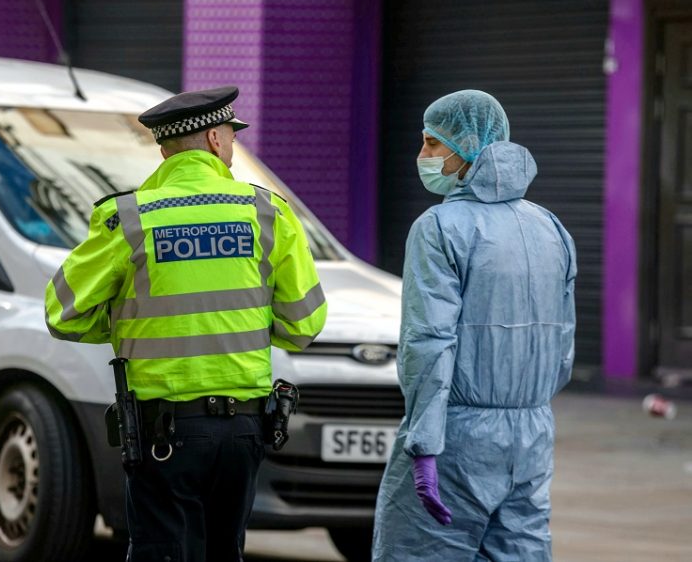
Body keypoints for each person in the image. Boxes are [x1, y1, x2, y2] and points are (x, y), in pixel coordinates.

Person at [44, 86, 327, 562]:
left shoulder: (128, 218)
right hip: (244, 429)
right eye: (232, 138)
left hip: (165, 434)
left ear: (164, 148)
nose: (234, 149)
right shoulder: (267, 212)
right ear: (215, 139)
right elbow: (303, 325)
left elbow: (62, 313)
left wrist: (128, 321)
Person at [372, 90, 577, 561]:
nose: (421, 156)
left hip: (456, 435)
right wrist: (524, 407)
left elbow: (429, 341)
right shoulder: (550, 226)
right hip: (531, 435)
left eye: (430, 143)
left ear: (467, 149)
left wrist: (424, 442)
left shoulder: (440, 227)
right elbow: (563, 345)